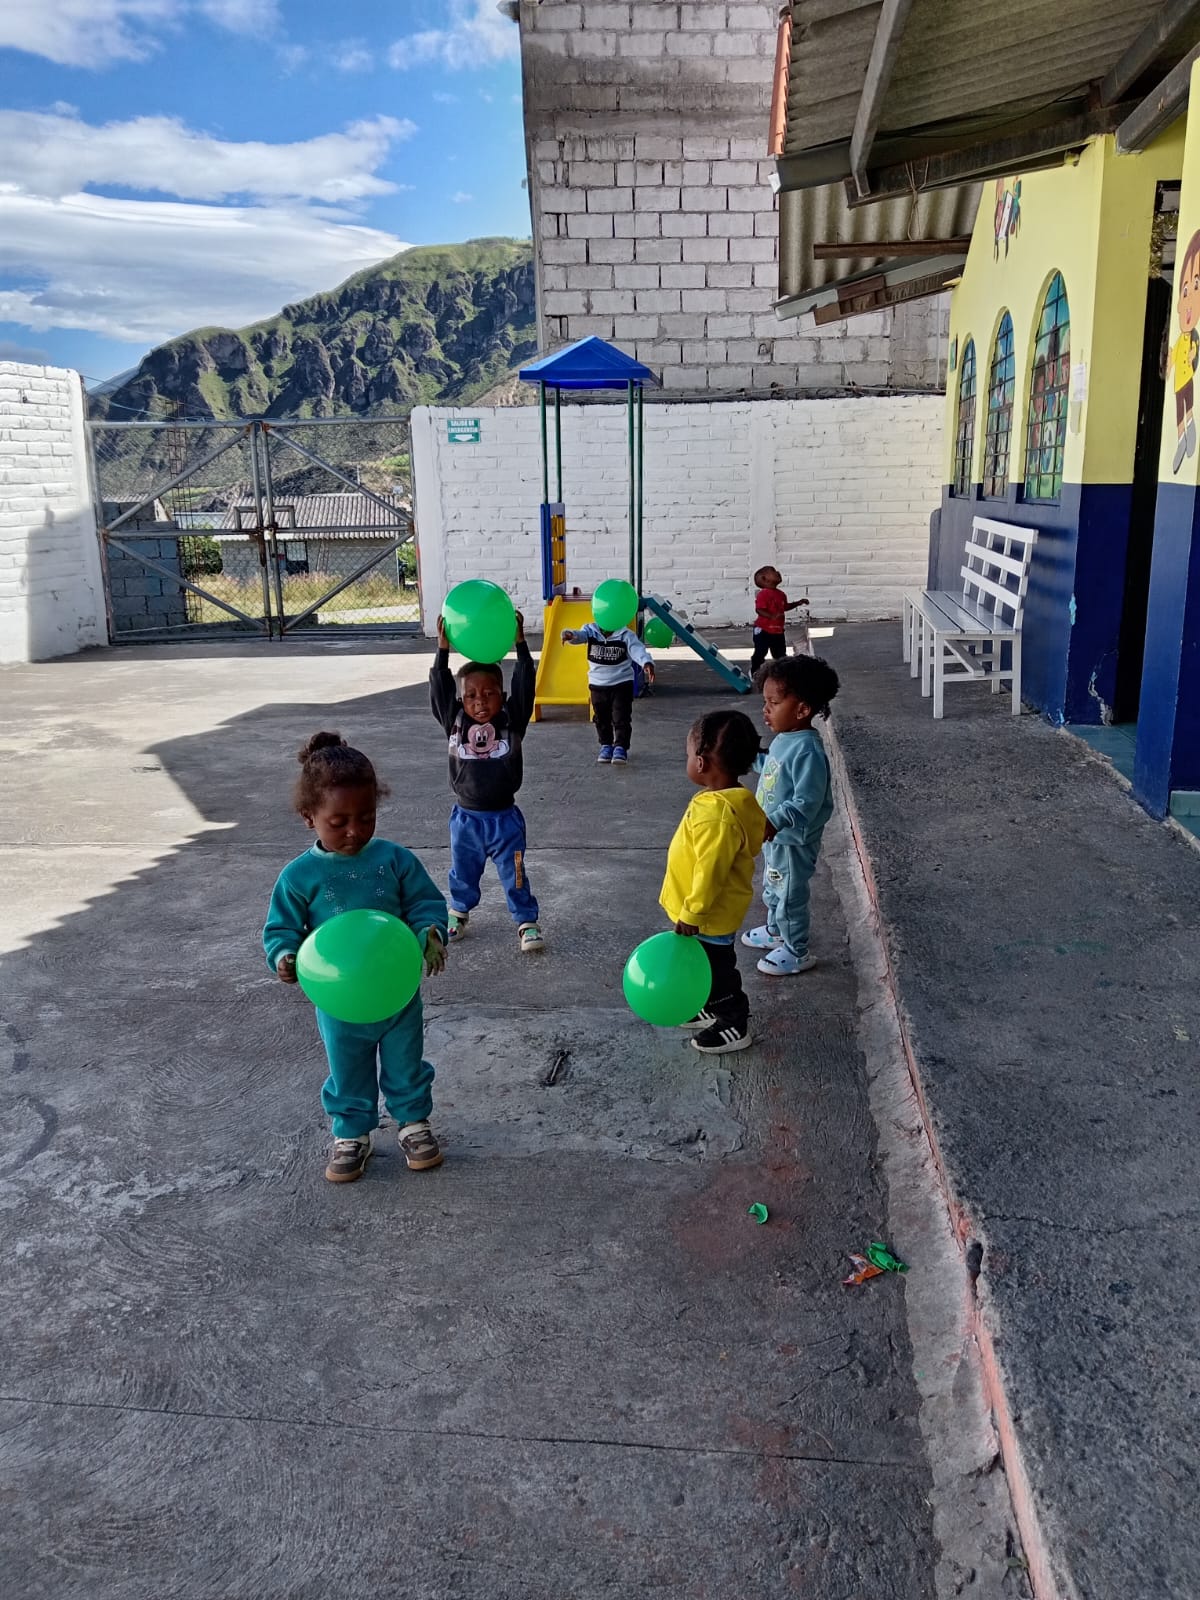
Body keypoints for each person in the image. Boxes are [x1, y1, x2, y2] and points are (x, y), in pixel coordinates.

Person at [264, 732, 449, 1185]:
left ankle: (413, 1123)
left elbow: (425, 903)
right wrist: (285, 956)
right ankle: (352, 1134)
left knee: (407, 1061)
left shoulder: (394, 860)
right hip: (339, 1001)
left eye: (366, 818)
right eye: (338, 821)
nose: (354, 831)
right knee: (347, 1069)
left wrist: (430, 932)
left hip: (397, 991)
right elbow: (281, 929)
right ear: (309, 817)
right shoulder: (299, 876)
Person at [430, 609, 544, 952]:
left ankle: (526, 922)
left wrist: (520, 643)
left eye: (489, 693)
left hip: (505, 821)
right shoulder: (454, 720)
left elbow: (525, 683)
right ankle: (458, 912)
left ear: (502, 696)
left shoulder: (512, 720)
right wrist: (442, 650)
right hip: (466, 819)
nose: (480, 700)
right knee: (462, 871)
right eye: (471, 695)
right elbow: (440, 688)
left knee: (515, 873)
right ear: (461, 701)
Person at [660, 709, 768, 1054]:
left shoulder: (716, 815)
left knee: (717, 972)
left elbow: (711, 872)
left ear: (702, 762)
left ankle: (733, 1020)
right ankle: (707, 1005)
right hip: (710, 913)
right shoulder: (735, 798)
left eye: (688, 754)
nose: (687, 761)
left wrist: (693, 912)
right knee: (702, 965)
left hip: (707, 915)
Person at [743, 654, 840, 977]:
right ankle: (775, 932)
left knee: (789, 896)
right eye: (765, 702)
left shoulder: (808, 751)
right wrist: (745, 759)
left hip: (793, 840)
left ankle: (797, 950)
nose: (766, 709)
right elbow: (772, 768)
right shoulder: (785, 739)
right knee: (772, 887)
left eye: (774, 703)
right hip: (775, 835)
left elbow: (807, 801)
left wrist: (775, 821)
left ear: (802, 710)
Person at [560, 616, 654, 764]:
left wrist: (646, 662)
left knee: (621, 717)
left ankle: (620, 747)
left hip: (622, 683)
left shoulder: (626, 635)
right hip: (598, 684)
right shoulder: (590, 630)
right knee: (601, 717)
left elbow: (637, 650)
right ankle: (606, 745)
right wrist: (570, 635)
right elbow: (579, 636)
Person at [751, 565, 809, 673]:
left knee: (780, 654)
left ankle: (781, 673)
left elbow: (785, 607)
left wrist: (798, 603)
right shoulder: (763, 594)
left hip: (777, 631)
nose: (777, 572)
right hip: (763, 630)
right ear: (764, 579)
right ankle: (755, 671)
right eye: (773, 571)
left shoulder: (781, 594)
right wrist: (771, 616)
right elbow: (759, 609)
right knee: (760, 652)